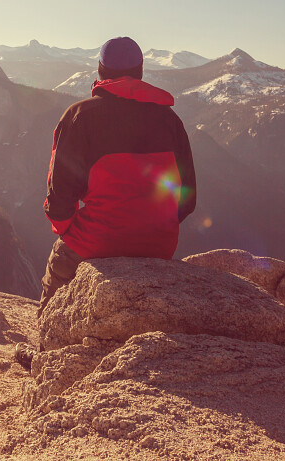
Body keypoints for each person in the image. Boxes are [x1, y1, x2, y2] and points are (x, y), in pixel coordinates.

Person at [39, 35, 197, 310]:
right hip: (158, 245)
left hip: (93, 242)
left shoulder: (79, 117)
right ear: (141, 71)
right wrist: (152, 228)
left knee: (54, 297)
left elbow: (59, 200)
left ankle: (47, 329)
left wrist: (71, 231)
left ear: (101, 71)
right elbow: (187, 198)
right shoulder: (170, 121)